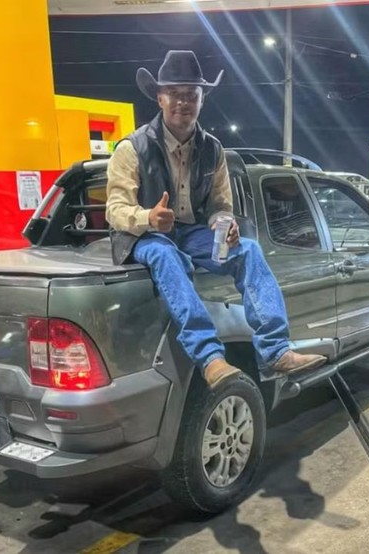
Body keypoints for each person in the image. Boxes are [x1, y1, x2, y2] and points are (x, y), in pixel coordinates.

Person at [105, 50, 326, 389]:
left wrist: (225, 222)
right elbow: (115, 209)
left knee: (248, 250)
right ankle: (210, 358)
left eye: (191, 94)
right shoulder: (132, 148)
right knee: (165, 254)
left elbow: (220, 205)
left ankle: (277, 349)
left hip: (193, 233)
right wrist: (149, 216)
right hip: (144, 236)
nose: (183, 102)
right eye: (175, 94)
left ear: (201, 99)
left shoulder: (214, 149)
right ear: (160, 98)